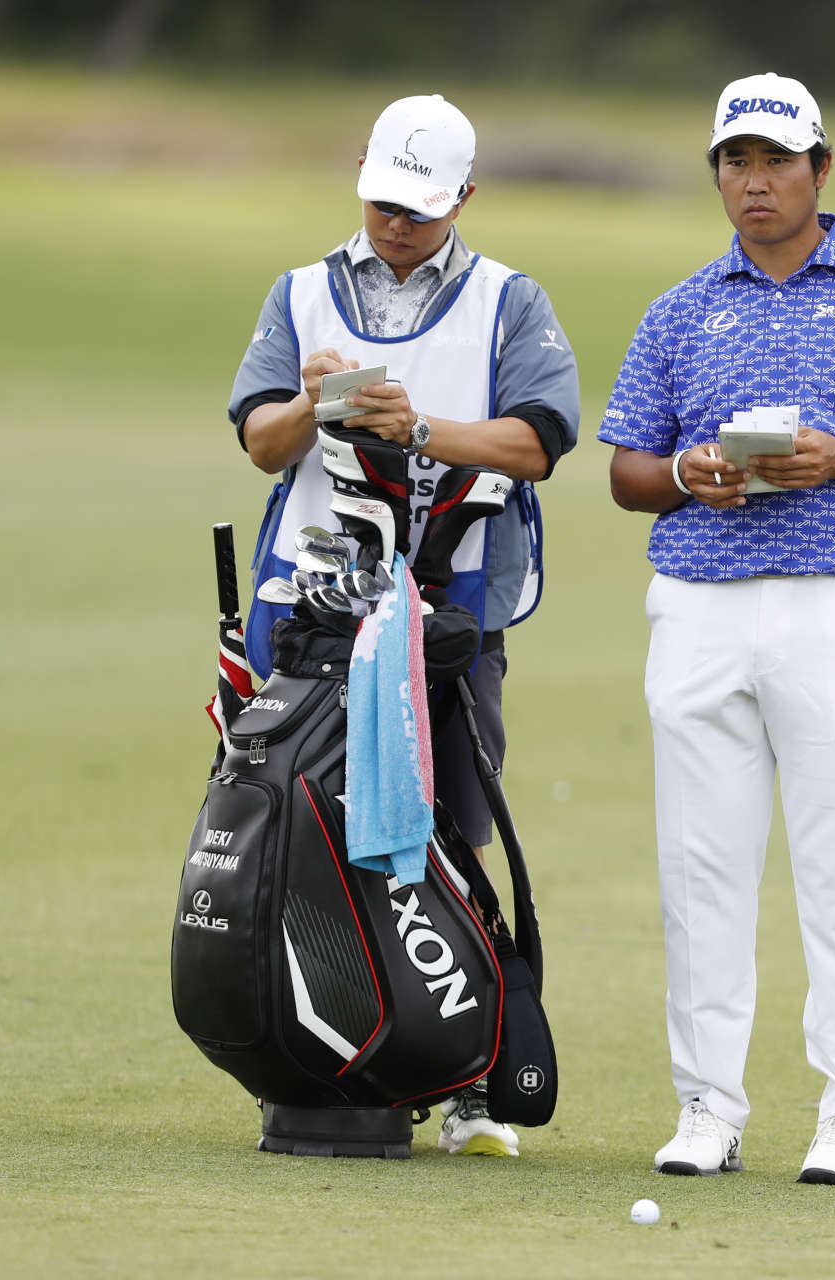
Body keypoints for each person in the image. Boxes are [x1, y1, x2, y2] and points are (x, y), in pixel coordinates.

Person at [598, 72, 835, 1186]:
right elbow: (626, 468)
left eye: (775, 162)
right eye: (734, 162)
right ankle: (706, 1105)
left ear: (821, 167)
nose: (754, 182)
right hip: (701, 610)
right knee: (701, 870)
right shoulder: (679, 309)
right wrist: (686, 472)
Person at [225, 93, 580, 1159]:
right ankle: (312, 1049)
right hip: (310, 608)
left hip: (448, 610)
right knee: (296, 830)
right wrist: (314, 405)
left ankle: (468, 1074)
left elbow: (538, 442)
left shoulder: (510, 302)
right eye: (383, 201)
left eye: (420, 210)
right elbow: (258, 439)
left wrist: (418, 427)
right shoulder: (300, 292)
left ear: (464, 199)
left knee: (453, 827)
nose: (396, 224)